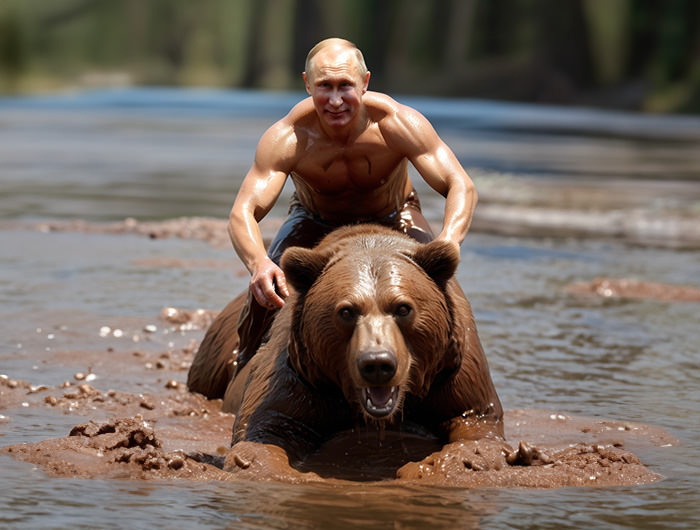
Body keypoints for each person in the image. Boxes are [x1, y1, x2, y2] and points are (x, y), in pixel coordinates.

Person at [229, 37, 478, 370]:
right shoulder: (288, 138)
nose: (334, 101)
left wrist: (449, 239)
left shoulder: (397, 124)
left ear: (365, 83)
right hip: (314, 219)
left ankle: (455, 373)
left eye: (345, 86)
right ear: (307, 85)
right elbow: (242, 211)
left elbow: (460, 184)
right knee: (267, 292)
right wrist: (259, 263)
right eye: (324, 86)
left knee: (441, 283)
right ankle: (242, 368)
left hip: (395, 215)